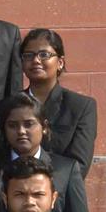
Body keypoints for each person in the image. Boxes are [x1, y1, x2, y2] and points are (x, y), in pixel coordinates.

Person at [0, 95, 91, 212]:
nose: (21, 131)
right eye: (13, 125)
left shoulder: (66, 169)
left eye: (29, 124)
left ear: (44, 127)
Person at [20, 28, 97, 177]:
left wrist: (43, 190)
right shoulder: (9, 105)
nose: (36, 60)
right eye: (28, 55)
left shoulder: (81, 107)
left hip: (61, 194)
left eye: (44, 55)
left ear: (60, 62)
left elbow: (79, 165)